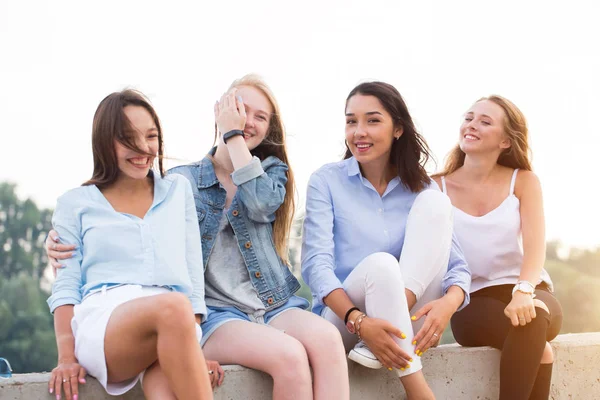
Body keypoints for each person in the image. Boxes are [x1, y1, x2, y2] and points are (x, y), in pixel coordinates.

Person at [48, 75, 350, 400]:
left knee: (326, 340)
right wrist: (66, 355)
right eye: (239, 110)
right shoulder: (181, 182)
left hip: (249, 308)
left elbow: (254, 210)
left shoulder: (201, 186)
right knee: (284, 354)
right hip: (197, 315)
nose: (247, 120)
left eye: (151, 137)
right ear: (220, 110)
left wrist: (233, 136)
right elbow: (72, 278)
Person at [301, 81, 471, 399]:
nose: (359, 131)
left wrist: (449, 304)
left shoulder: (423, 187)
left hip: (405, 319)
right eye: (352, 121)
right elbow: (316, 267)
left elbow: (457, 265)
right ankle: (419, 392)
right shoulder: (326, 181)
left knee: (437, 204)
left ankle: (389, 327)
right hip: (343, 322)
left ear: (398, 130)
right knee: (381, 264)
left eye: (373, 120)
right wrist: (360, 321)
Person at [46, 90, 213, 400]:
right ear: (104, 143)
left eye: (150, 136)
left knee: (164, 388)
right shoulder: (75, 203)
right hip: (106, 323)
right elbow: (66, 287)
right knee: (174, 305)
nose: (143, 148)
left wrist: (193, 348)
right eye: (128, 138)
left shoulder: (179, 191)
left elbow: (193, 277)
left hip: (174, 325)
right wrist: (66, 358)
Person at [433, 95, 563, 400]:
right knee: (537, 346)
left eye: (484, 121)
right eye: (469, 117)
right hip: (471, 301)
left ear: (506, 141)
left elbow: (534, 248)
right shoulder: (434, 187)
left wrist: (523, 291)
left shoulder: (524, 181)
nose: (472, 125)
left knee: (535, 316)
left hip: (529, 289)